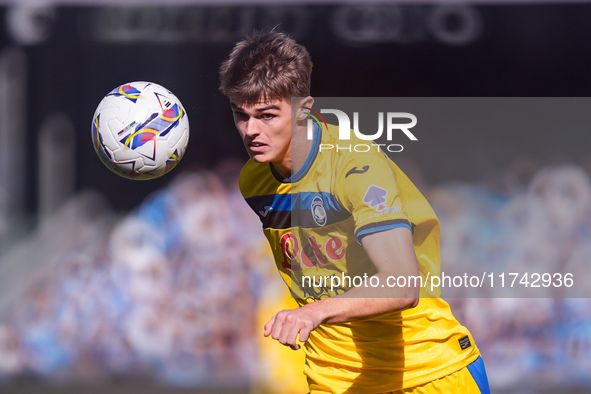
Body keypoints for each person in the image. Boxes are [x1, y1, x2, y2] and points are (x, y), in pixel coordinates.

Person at [219, 30, 490, 394]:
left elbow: (402, 283)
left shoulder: (355, 166)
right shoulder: (253, 181)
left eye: (267, 115)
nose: (251, 131)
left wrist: (314, 312)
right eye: (241, 116)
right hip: (333, 380)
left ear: (304, 108)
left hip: (426, 372)